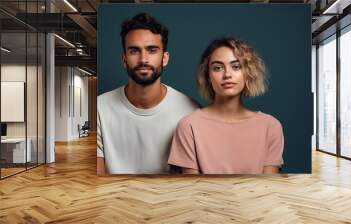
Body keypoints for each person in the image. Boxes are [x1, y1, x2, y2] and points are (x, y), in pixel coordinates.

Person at [97, 13, 198, 174]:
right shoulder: (100, 108)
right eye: (134, 51)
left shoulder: (190, 112)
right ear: (124, 59)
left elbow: (191, 185)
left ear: (164, 58)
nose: (143, 59)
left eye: (152, 50)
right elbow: (95, 182)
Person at [168, 38, 284, 174]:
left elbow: (267, 188)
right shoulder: (189, 126)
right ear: (208, 76)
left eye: (236, 67)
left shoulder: (270, 126)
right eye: (218, 68)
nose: (227, 75)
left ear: (247, 73)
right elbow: (193, 189)